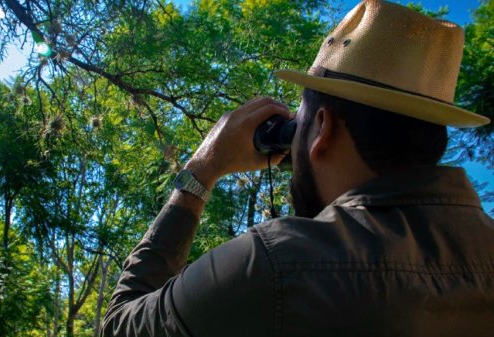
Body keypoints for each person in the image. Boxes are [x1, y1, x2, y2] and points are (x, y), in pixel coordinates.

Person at [101, 1, 494, 336]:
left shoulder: (275, 267)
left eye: (299, 122)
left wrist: (201, 171)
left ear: (321, 129)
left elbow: (120, 326)